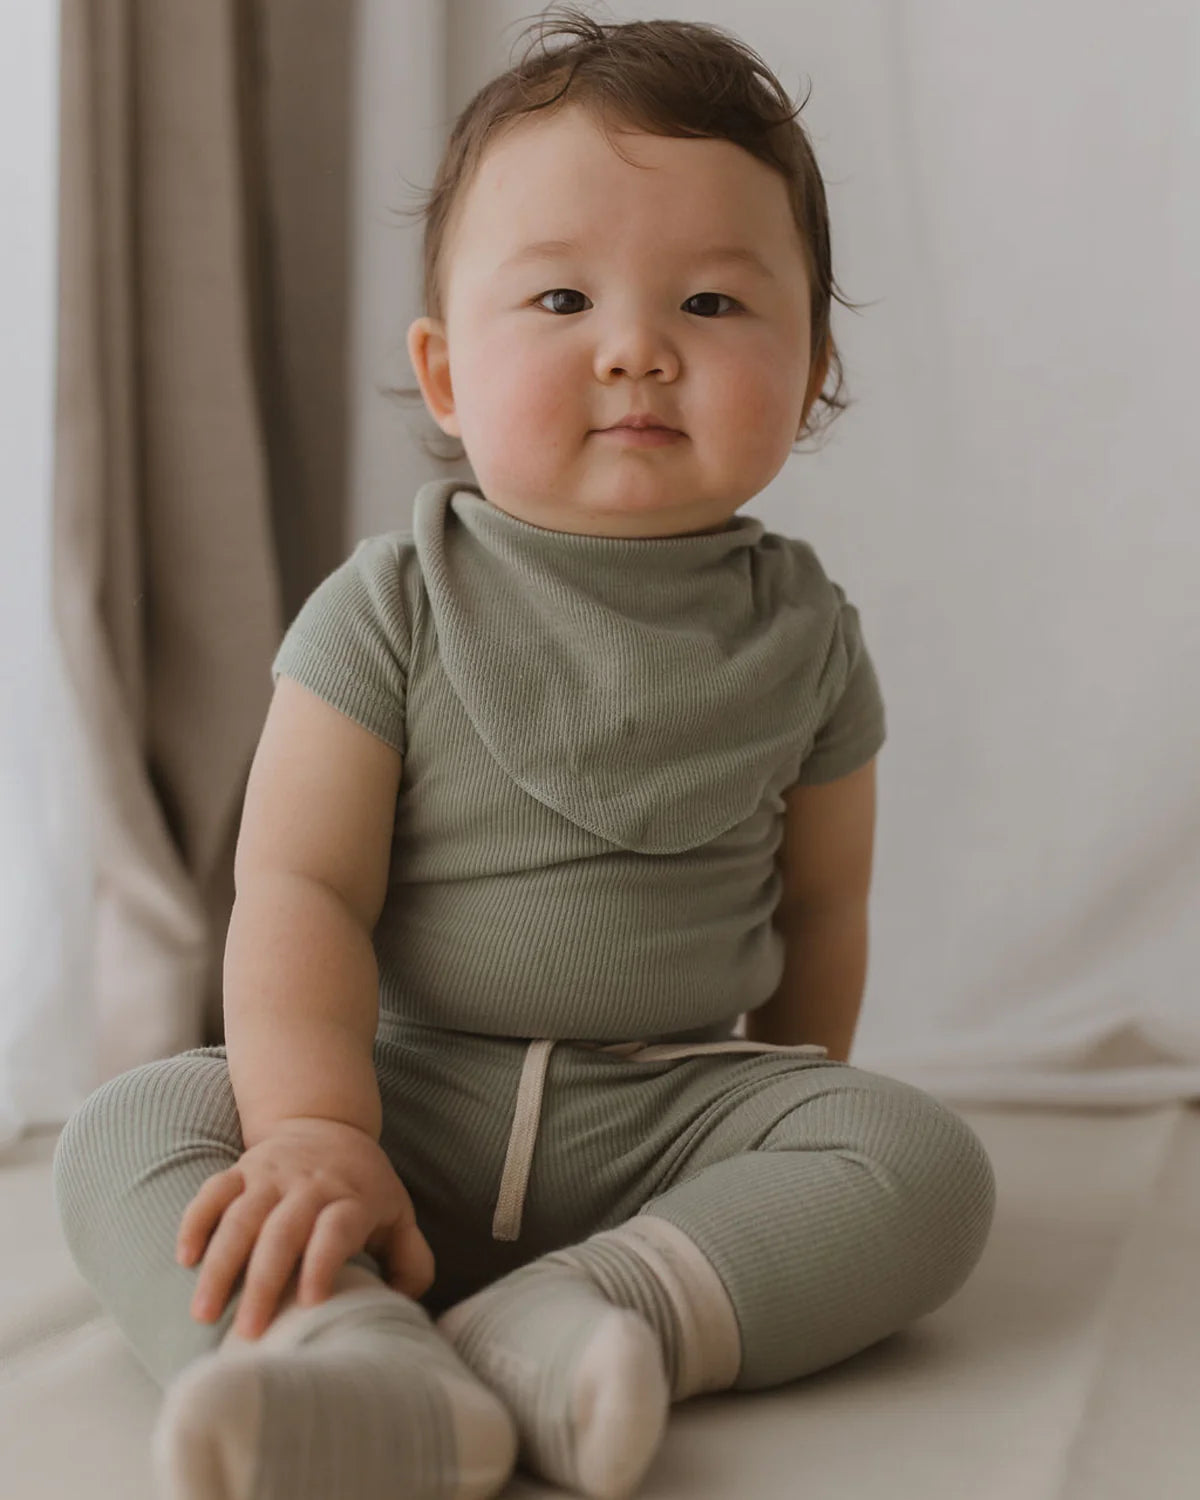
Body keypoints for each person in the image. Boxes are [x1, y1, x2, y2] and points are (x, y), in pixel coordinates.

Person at [52, 8, 997, 1500]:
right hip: (400, 1102)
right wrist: (310, 1129)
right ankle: (341, 1350)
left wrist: (781, 1164)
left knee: (925, 1166)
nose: (635, 349)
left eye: (708, 303)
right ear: (441, 373)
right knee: (133, 1127)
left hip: (663, 1114)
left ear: (811, 369)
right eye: (561, 298)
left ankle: (598, 1312)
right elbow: (297, 885)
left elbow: (823, 913)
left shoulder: (809, 637)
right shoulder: (391, 606)